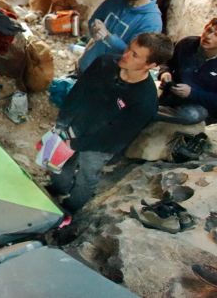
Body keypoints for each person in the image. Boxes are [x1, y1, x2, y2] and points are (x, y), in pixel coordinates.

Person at [49, 32, 174, 212]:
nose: (126, 55)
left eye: (135, 55)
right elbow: (79, 91)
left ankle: (70, 209)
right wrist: (63, 122)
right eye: (129, 48)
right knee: (58, 164)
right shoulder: (105, 63)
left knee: (87, 175)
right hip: (77, 125)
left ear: (151, 65)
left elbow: (114, 137)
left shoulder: (145, 101)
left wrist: (76, 144)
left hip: (100, 145)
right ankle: (58, 190)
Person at [78, 0, 163, 73]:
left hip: (111, 78)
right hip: (87, 66)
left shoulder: (152, 21)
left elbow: (137, 56)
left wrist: (108, 37)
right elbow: (93, 21)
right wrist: (94, 29)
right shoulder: (115, 0)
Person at [157, 18, 217, 124]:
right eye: (209, 30)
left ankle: (153, 111)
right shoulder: (187, 43)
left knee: (192, 115)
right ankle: (156, 110)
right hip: (172, 94)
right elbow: (167, 61)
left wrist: (192, 93)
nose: (208, 36)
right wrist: (164, 73)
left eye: (216, 35)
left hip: (200, 106)